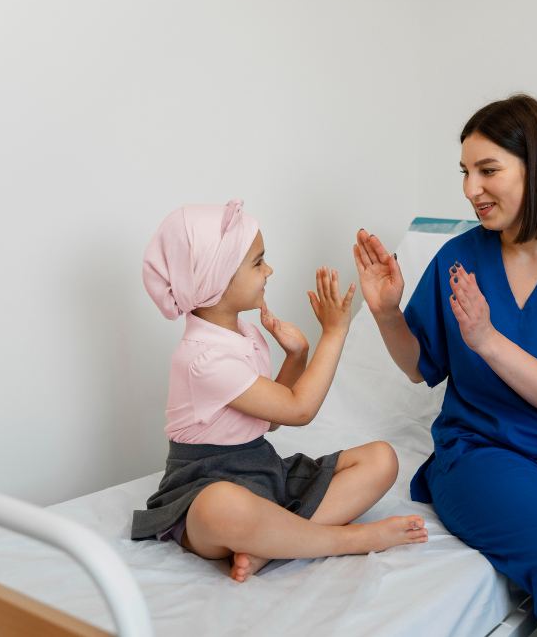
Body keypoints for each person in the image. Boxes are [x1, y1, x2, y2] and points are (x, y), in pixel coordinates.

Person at [353, 95, 537, 635]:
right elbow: (418, 366)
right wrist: (384, 312)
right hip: (485, 454)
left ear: (535, 166)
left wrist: (489, 341)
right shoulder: (459, 257)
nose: (472, 189)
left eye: (488, 170)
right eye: (466, 172)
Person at [132, 200, 426, 583]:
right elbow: (299, 410)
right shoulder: (202, 358)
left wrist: (297, 355)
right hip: (205, 483)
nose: (268, 270)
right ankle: (344, 539)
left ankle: (270, 546)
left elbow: (268, 422)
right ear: (215, 279)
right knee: (223, 506)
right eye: (257, 263)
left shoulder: (245, 335)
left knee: (382, 459)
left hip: (262, 470)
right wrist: (334, 333)